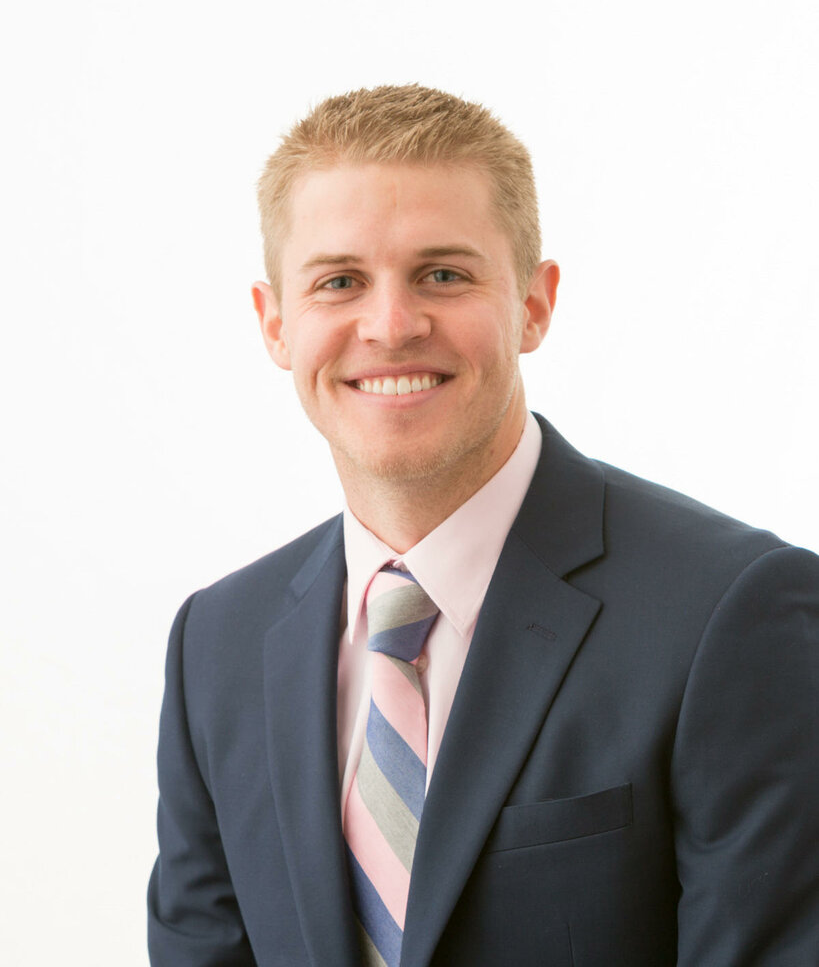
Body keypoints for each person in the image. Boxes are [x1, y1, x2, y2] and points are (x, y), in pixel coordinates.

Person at [147, 85, 819, 966]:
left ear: (533, 304)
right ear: (276, 323)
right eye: (339, 282)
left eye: (443, 274)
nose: (390, 326)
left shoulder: (730, 613)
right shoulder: (217, 644)